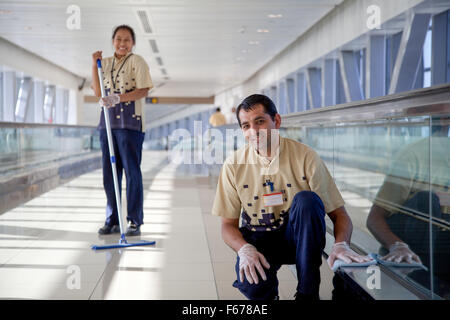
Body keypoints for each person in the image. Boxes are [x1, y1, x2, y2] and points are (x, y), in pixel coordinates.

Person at [211, 94, 372, 300]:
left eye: (260, 122)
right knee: (252, 284)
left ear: (276, 121)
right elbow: (227, 225)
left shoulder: (305, 157)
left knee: (307, 200)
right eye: (246, 126)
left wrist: (341, 244)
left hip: (299, 237)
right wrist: (244, 249)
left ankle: (307, 294)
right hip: (259, 237)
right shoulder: (234, 165)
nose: (253, 132)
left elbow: (339, 215)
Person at [366, 118, 449, 298]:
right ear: (444, 122)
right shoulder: (415, 155)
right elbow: (374, 218)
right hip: (417, 248)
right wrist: (398, 246)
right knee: (427, 201)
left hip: (444, 248)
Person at [91, 25, 153, 236]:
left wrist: (119, 98)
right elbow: (98, 92)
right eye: (118, 39)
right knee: (110, 175)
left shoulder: (137, 61)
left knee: (132, 173)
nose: (122, 44)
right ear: (113, 41)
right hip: (107, 124)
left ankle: (134, 220)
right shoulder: (104, 63)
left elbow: (143, 90)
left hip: (131, 125)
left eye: (127, 40)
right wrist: (94, 65)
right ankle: (113, 219)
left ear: (133, 43)